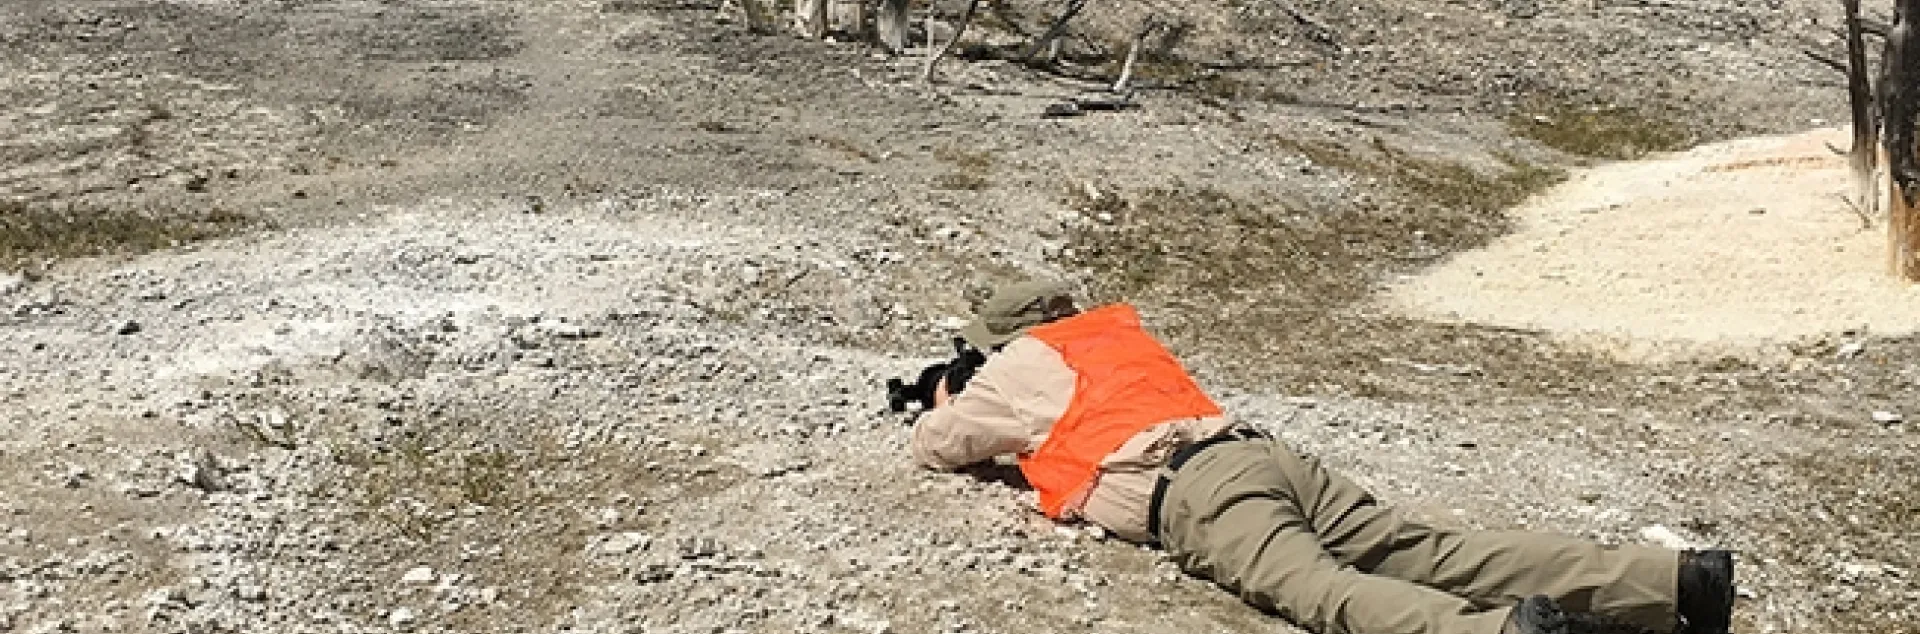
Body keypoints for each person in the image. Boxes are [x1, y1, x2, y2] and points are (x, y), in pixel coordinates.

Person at [907, 278, 1736, 634]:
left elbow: (939, 446)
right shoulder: (1115, 337)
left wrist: (951, 396)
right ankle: (1675, 582)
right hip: (1262, 456)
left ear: (1006, 337)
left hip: (1197, 494)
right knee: (1432, 548)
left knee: (1326, 593)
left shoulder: (1017, 366)